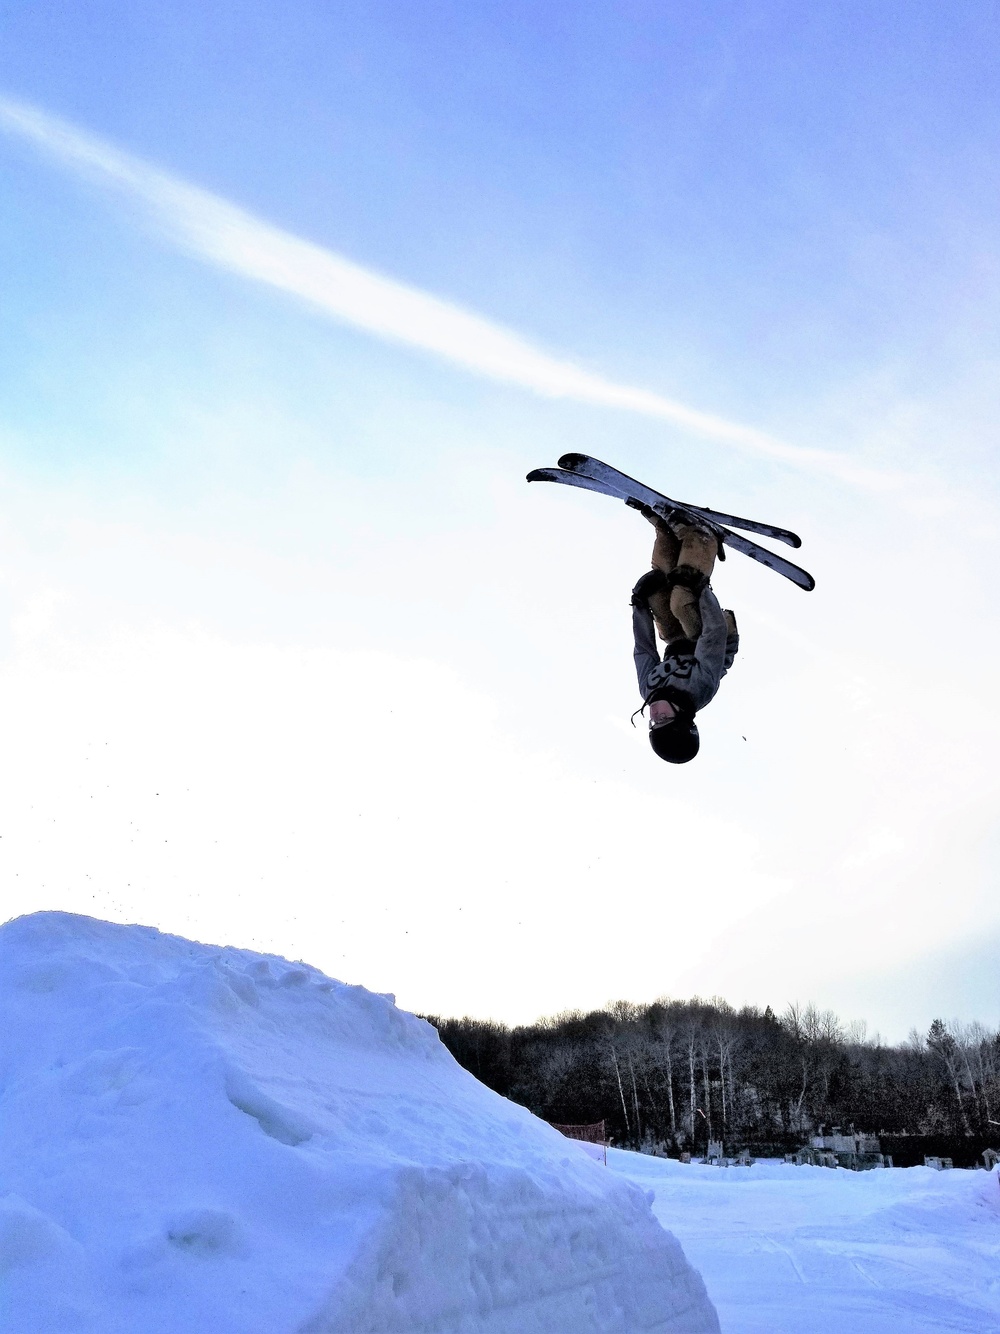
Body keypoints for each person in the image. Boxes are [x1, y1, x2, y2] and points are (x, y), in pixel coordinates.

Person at [629, 503, 739, 763]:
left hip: (677, 639)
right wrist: (700, 588)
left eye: (653, 723)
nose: (655, 716)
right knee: (680, 599)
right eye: (664, 719)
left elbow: (643, 649)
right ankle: (702, 538)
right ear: (683, 717)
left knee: (658, 593)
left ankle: (665, 530)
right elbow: (712, 636)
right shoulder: (701, 689)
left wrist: (639, 605)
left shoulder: (649, 690)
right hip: (715, 633)